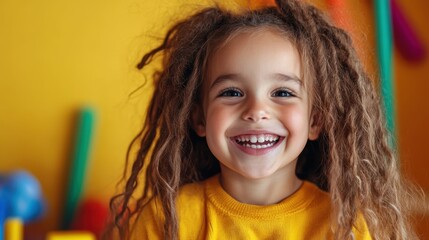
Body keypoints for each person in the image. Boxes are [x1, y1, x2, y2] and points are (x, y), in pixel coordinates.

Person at [104, 0, 419, 239]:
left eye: (282, 93)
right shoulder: (166, 219)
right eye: (231, 93)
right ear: (198, 117)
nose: (256, 110)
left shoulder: (344, 224)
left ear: (315, 120)